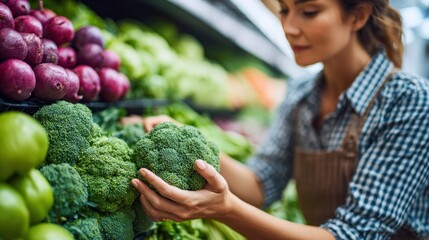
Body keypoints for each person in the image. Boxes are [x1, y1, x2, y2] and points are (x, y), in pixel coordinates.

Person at [131, 0, 429, 239]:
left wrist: (225, 209)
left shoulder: (408, 100)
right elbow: (263, 183)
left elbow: (355, 235)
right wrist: (192, 144)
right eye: (284, 10)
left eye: (309, 12)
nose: (289, 27)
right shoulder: (301, 95)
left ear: (358, 16)